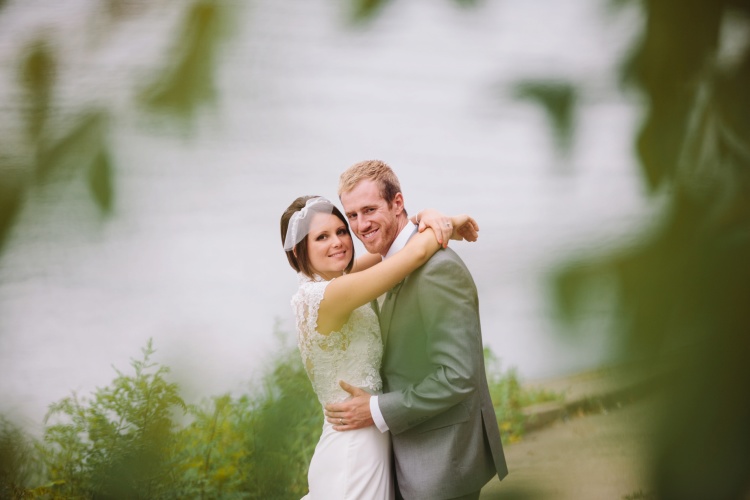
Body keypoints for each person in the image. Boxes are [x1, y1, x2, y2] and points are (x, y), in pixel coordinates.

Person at [324, 160, 508, 500]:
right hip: (401, 458)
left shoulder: (438, 270)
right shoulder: (389, 262)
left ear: (397, 204)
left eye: (369, 210)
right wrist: (440, 220)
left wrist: (376, 409)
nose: (360, 226)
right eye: (351, 216)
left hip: (439, 465)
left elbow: (458, 375)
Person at [281, 194, 479, 499]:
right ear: (298, 250)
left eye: (341, 231)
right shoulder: (329, 296)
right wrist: (447, 223)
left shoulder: (340, 279)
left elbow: (396, 245)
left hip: (371, 436)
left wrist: (426, 216)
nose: (338, 242)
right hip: (354, 449)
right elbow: (410, 257)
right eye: (322, 237)